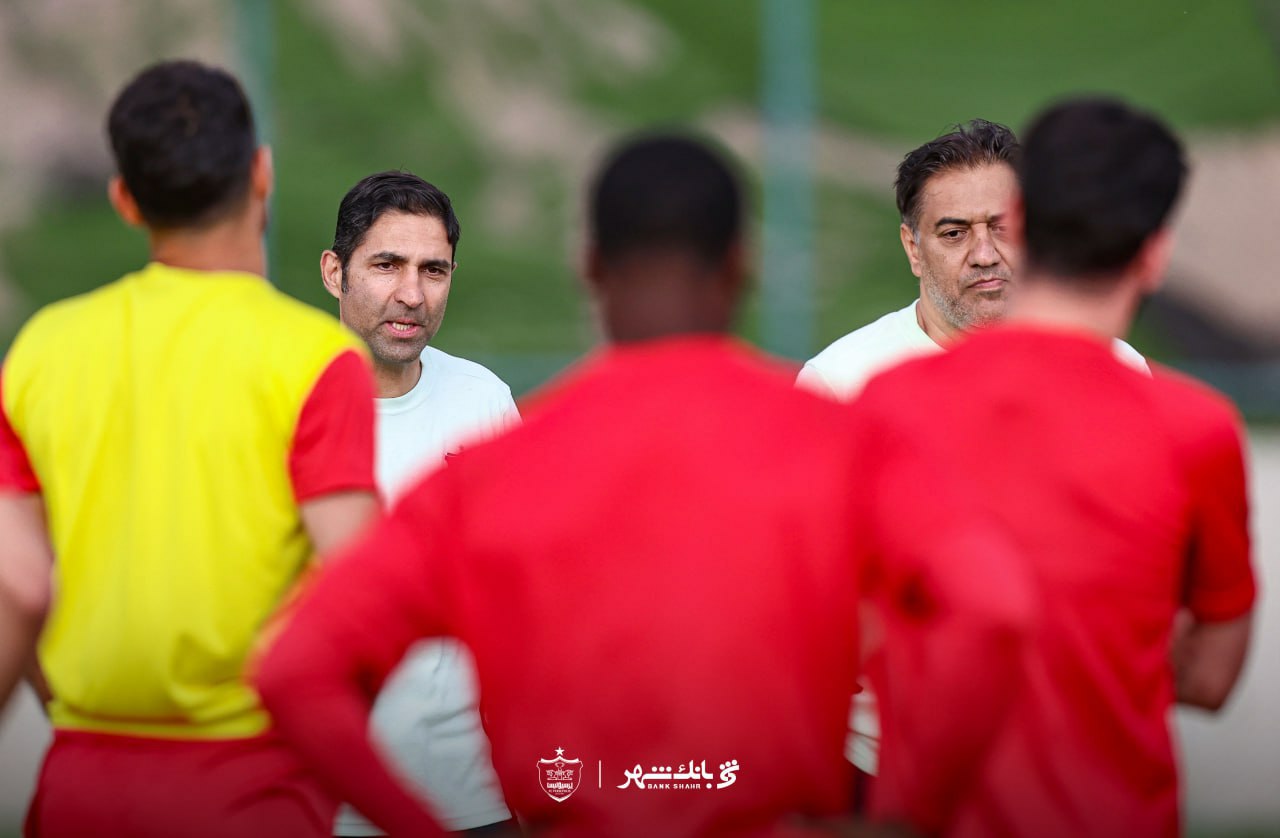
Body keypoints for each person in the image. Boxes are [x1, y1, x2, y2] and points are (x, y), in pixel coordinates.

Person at [252, 133, 1035, 837]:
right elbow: (994, 608)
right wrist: (907, 812)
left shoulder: (498, 466)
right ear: (741, 266)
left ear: (591, 268)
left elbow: (297, 673)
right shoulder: (845, 440)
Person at [0, 60, 380, 836]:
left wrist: (78, 708)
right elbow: (361, 588)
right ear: (262, 173)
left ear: (124, 199)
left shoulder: (40, 349)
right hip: (255, 789)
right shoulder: (315, 357)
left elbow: (20, 585)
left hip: (80, 784)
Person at [860, 98, 1255, 837]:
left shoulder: (888, 403)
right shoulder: (1196, 427)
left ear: (1025, 227)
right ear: (1155, 253)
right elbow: (1209, 676)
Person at [320, 171, 518, 836]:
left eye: (434, 270)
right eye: (387, 265)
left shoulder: (482, 399)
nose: (412, 293)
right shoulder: (280, 405)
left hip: (470, 801)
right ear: (335, 273)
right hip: (320, 803)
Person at [797, 119, 1147, 403]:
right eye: (954, 233)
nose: (984, 255)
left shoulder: (1115, 369)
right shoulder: (841, 383)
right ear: (913, 248)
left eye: (1002, 228)